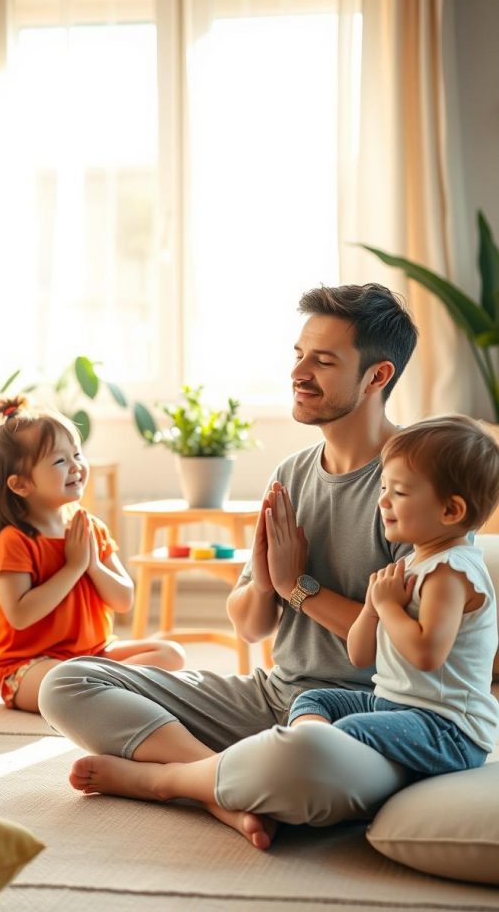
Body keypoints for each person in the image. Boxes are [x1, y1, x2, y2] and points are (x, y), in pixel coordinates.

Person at [39, 283, 419, 847]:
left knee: (303, 766)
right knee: (66, 682)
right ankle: (214, 784)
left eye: (323, 360)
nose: (299, 372)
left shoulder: (416, 477)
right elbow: (249, 625)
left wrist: (298, 586)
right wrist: (267, 581)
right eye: (298, 355)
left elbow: (407, 645)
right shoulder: (292, 473)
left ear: (377, 376)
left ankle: (174, 780)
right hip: (273, 698)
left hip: (366, 713)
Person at [284, 415, 499, 776]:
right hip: (394, 705)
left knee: (349, 731)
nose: (383, 502)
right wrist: (371, 609)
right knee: (314, 699)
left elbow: (426, 654)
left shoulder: (449, 572)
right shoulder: (412, 563)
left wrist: (387, 606)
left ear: (451, 510)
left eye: (398, 492)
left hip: (447, 730)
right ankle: (311, 755)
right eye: (383, 488)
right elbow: (359, 654)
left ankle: (314, 761)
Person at [0, 396, 184, 713]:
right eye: (59, 461)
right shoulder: (14, 540)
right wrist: (73, 567)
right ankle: (113, 689)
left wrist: (92, 566)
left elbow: (123, 599)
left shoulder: (89, 528)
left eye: (76, 454)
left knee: (171, 654)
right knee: (63, 678)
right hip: (31, 667)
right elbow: (20, 615)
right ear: (20, 485)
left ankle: (106, 688)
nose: (76, 465)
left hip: (95, 654)